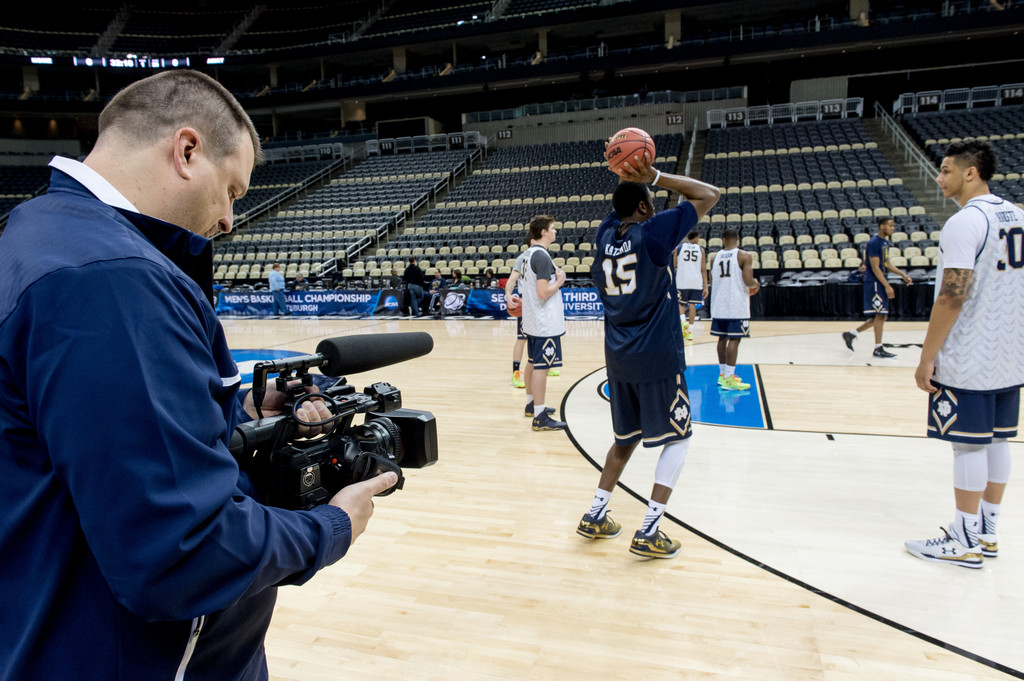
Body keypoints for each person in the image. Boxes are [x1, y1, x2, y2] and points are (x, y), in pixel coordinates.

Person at [0, 70, 397, 680]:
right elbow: (179, 552)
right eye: (233, 191)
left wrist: (238, 419)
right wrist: (332, 526)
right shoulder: (110, 278)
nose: (231, 220)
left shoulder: (40, 231)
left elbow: (97, 448)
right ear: (187, 152)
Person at [578, 153, 720, 559]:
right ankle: (650, 530)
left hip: (619, 358)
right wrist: (654, 175)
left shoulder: (604, 235)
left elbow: (620, 206)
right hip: (657, 355)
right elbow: (709, 194)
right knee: (679, 439)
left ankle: (595, 514)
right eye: (650, 202)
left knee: (625, 439)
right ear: (644, 207)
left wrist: (627, 176)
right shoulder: (654, 233)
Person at [905, 140, 1024, 568]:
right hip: (1010, 353)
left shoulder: (965, 222)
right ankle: (988, 533)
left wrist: (927, 355)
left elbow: (952, 297)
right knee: (997, 442)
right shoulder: (1017, 215)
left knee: (967, 447)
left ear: (971, 172)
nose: (939, 177)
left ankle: (963, 539)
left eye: (946, 170)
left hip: (971, 353)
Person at [520, 214, 568, 431]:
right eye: (553, 228)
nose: (555, 231)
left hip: (532, 320)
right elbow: (542, 292)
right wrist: (559, 281)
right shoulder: (541, 256)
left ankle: (532, 403)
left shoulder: (528, 254)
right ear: (543, 232)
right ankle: (539, 416)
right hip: (544, 322)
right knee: (542, 367)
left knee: (532, 362)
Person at [841, 217, 912, 357]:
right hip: (874, 282)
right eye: (890, 226)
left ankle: (851, 334)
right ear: (882, 226)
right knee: (880, 315)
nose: (893, 228)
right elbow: (874, 267)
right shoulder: (874, 242)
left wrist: (902, 275)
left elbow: (886, 264)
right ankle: (878, 348)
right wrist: (887, 286)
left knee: (881, 316)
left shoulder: (884, 242)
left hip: (880, 281)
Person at [710, 228, 759, 391]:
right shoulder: (744, 256)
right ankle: (730, 378)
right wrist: (756, 284)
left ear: (723, 239)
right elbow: (748, 281)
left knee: (721, 339)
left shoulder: (714, 258)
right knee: (735, 339)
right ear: (738, 238)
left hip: (718, 304)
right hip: (736, 305)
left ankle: (723, 374)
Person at [504, 240, 534, 389]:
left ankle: (541, 364)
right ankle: (515, 373)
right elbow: (512, 279)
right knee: (522, 338)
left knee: (539, 335)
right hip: (526, 302)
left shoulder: (543, 256)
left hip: (539, 302)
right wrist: (508, 295)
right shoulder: (523, 258)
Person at [673, 229, 707, 345]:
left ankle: (683, 321)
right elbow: (703, 270)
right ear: (696, 237)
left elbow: (673, 266)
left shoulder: (679, 248)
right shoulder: (701, 250)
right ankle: (690, 331)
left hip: (682, 280)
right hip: (696, 281)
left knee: (681, 303)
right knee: (692, 304)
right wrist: (706, 286)